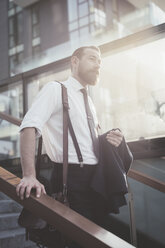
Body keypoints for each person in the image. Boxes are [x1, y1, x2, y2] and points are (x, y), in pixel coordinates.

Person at [16, 45, 123, 227]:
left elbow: (85, 141)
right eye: (92, 59)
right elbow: (29, 127)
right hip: (70, 180)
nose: (98, 65)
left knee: (98, 236)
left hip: (96, 180)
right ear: (75, 61)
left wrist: (111, 138)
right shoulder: (55, 89)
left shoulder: (89, 100)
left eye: (100, 61)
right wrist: (28, 175)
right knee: (79, 239)